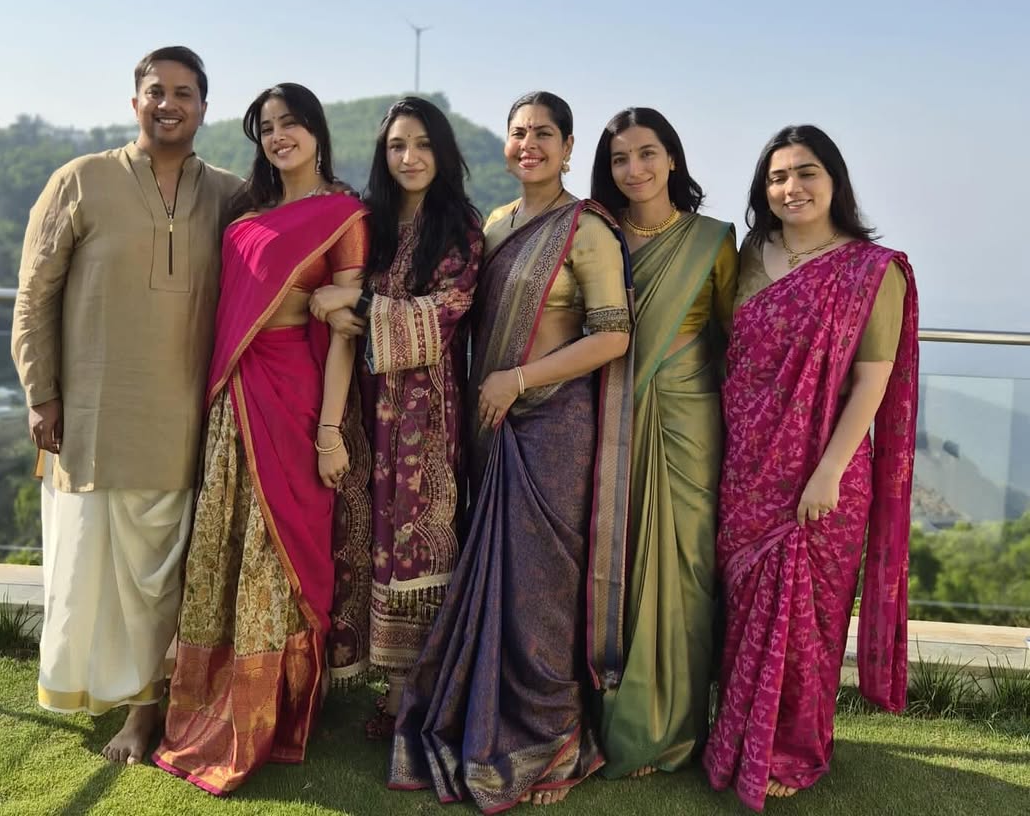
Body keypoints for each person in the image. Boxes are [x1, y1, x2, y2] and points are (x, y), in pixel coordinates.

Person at [389, 91, 633, 812]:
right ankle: (485, 719)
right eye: (518, 132)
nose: (529, 144)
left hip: (553, 427)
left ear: (568, 146)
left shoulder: (587, 228)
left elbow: (613, 334)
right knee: (494, 579)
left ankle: (554, 739)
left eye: (544, 134)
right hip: (490, 425)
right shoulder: (494, 224)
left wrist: (520, 380)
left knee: (541, 590)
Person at [10, 46, 241, 762]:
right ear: (134, 101)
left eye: (184, 93)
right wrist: (42, 392)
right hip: (92, 419)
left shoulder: (230, 195)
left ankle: (147, 711)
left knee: (162, 579)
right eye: (156, 90)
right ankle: (109, 693)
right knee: (91, 575)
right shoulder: (80, 180)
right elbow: (34, 294)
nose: (168, 103)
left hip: (186, 422)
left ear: (204, 108)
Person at [153, 83, 369, 794]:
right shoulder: (245, 217)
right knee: (224, 542)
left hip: (297, 393)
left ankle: (273, 709)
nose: (280, 136)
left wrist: (330, 431)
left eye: (292, 123)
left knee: (282, 549)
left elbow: (345, 331)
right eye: (268, 127)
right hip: (234, 392)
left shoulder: (343, 214)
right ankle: (213, 700)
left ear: (317, 131)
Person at [702, 124, 918, 811]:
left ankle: (793, 749)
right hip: (745, 463)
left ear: (834, 182)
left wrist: (827, 472)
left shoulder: (871, 270)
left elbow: (872, 382)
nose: (791, 188)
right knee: (744, 607)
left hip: (826, 472)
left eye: (805, 173)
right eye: (777, 177)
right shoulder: (750, 253)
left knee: (808, 619)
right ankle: (739, 737)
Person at [309, 96, 483, 737]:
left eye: (423, 144)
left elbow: (446, 313)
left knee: (417, 535)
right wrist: (346, 302)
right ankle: (365, 677)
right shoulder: (367, 221)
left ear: (443, 152)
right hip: (361, 401)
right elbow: (334, 301)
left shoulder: (459, 226)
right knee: (361, 529)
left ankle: (412, 690)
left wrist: (354, 300)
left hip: (426, 415)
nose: (410, 157)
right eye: (396, 146)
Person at [590, 107, 737, 778]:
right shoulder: (595, 233)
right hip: (605, 413)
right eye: (620, 159)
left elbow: (734, 341)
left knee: (683, 568)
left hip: (687, 419)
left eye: (647, 153)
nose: (635, 169)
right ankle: (607, 716)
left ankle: (674, 729)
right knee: (611, 558)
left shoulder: (712, 241)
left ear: (672, 157)